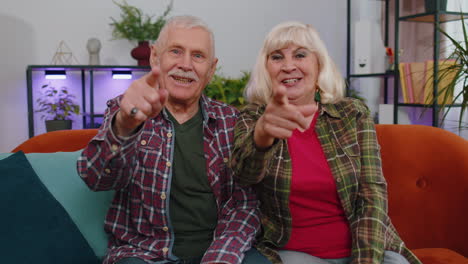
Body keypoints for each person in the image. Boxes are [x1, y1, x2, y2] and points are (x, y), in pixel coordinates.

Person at [229, 21, 422, 264]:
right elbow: (243, 176)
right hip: (296, 255)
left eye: (300, 55)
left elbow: (372, 193)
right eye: (277, 57)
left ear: (319, 64)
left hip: (367, 250)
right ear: (266, 69)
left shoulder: (352, 114)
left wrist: (364, 261)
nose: (288, 66)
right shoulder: (253, 118)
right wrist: (262, 136)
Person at [77, 15, 263, 264]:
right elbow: (95, 177)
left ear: (211, 68)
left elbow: (245, 206)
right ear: (155, 57)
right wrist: (124, 125)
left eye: (198, 56)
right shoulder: (127, 109)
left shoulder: (231, 121)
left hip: (217, 250)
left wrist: (220, 258)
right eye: (176, 51)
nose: (186, 64)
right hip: (142, 254)